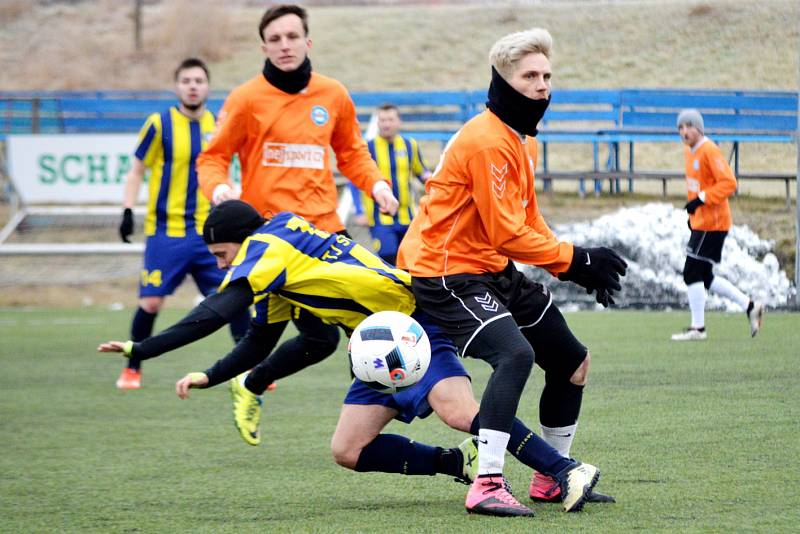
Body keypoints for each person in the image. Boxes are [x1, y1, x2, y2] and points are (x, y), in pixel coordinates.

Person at [98, 200, 608, 516]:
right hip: (373, 343)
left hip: (412, 321)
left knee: (458, 410)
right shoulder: (280, 256)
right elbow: (258, 341)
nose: (218, 262)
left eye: (218, 252)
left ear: (236, 239)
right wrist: (210, 375)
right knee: (348, 449)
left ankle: (563, 469)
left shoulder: (265, 246)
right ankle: (462, 463)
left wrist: (142, 349)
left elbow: (218, 308)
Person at [396, 28, 627, 516]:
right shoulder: (486, 141)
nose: (543, 85)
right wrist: (575, 257)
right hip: (446, 272)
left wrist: (572, 266)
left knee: (571, 362)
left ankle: (552, 479)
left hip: (491, 268)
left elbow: (527, 221)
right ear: (503, 80)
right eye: (530, 76)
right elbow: (506, 232)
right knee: (515, 355)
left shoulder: (521, 141)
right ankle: (486, 483)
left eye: (547, 75)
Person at [194, 4, 399, 407]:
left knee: (373, 316)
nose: (284, 45)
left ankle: (378, 403)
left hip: (324, 232)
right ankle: (255, 382)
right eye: (275, 39)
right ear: (264, 47)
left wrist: (376, 184)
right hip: (273, 241)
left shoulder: (333, 94)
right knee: (319, 338)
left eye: (291, 37)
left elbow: (352, 153)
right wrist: (218, 189)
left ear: (307, 41)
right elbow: (212, 157)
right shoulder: (246, 99)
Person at [115, 57, 250, 390]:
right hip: (167, 232)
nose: (193, 86)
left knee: (233, 296)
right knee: (151, 302)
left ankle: (249, 367)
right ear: (177, 86)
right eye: (187, 80)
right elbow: (136, 170)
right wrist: (128, 209)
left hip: (211, 233)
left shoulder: (219, 125)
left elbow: (230, 168)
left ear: (207, 86)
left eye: (199, 80)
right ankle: (133, 367)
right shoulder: (159, 123)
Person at [670, 109, 765, 341]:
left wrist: (701, 200)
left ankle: (698, 329)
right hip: (702, 222)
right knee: (705, 276)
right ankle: (750, 306)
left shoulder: (709, 150)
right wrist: (693, 214)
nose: (684, 132)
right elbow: (698, 187)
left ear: (699, 128)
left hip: (713, 223)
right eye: (680, 128)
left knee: (691, 272)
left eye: (689, 126)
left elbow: (729, 183)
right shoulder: (689, 151)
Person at [348, 103, 431, 265]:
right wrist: (359, 210)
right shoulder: (368, 147)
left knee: (412, 259)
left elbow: (421, 172)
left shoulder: (410, 145)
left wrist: (436, 185)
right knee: (388, 254)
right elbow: (354, 181)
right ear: (377, 123)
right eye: (382, 120)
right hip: (380, 217)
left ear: (399, 122)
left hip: (408, 216)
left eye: (390, 120)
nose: (386, 124)